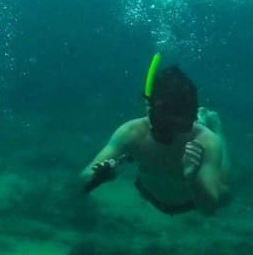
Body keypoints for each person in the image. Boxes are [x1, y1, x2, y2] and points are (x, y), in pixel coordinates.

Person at [81, 58, 228, 216]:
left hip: (190, 203)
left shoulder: (207, 141)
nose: (171, 131)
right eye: (165, 119)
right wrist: (97, 178)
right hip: (147, 193)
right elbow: (84, 177)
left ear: (189, 116)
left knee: (225, 189)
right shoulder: (132, 132)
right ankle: (204, 119)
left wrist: (191, 179)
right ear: (150, 109)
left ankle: (216, 126)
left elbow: (208, 210)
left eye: (180, 121)